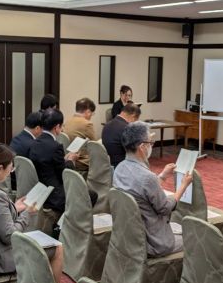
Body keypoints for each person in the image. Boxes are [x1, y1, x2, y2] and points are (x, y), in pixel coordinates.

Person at [0, 143, 65, 283]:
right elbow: (10, 236)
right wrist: (27, 213)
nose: (10, 172)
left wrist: (15, 208)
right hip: (3, 259)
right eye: (10, 168)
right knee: (57, 249)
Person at [113, 121, 192, 257]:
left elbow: (141, 190)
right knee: (196, 238)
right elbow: (165, 208)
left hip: (129, 236)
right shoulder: (147, 177)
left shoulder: (120, 168)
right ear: (142, 147)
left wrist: (162, 176)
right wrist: (183, 186)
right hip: (153, 242)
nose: (151, 146)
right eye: (150, 142)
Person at [28, 109, 80, 228]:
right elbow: (64, 174)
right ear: (57, 127)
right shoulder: (56, 146)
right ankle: (66, 228)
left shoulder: (34, 143)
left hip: (39, 189)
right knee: (90, 195)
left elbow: (49, 164)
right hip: (54, 195)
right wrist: (71, 161)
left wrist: (63, 160)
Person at [63, 97, 96, 177]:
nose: (91, 116)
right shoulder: (87, 124)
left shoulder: (67, 122)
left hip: (67, 158)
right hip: (80, 161)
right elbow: (95, 145)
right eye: (92, 113)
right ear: (88, 112)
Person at [102, 102, 141, 168]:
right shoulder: (127, 128)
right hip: (122, 166)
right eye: (135, 121)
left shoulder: (107, 125)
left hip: (108, 164)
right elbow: (134, 152)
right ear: (133, 116)